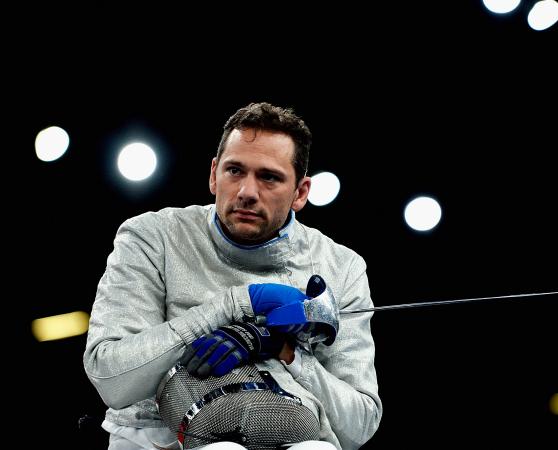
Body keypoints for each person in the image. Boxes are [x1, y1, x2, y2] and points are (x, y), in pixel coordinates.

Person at [84, 102, 382, 450]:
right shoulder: (153, 236)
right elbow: (111, 378)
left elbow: (359, 424)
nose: (247, 192)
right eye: (235, 171)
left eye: (268, 177)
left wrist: (288, 353)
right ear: (214, 174)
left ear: (300, 193)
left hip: (290, 434)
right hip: (160, 439)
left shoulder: (341, 266)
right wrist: (240, 303)